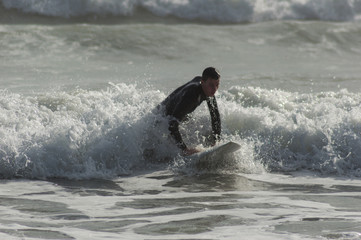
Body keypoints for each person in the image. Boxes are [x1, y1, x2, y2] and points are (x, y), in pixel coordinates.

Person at [157, 67, 221, 156]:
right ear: (202, 82)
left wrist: (216, 141)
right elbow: (171, 124)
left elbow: (215, 117)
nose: (215, 89)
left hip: (173, 113)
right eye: (211, 85)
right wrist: (184, 149)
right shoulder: (191, 96)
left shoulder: (208, 90)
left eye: (217, 84)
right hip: (160, 119)